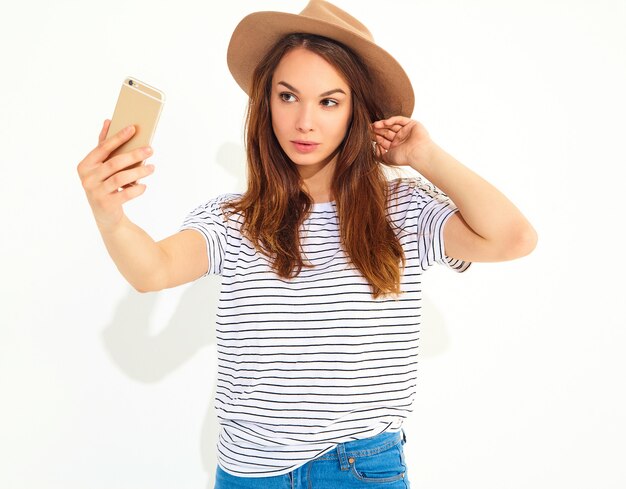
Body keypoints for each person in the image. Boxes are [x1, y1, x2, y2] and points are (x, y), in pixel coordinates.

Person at [77, 1, 537, 487]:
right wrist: (109, 214)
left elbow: (513, 238)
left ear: (357, 110)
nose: (304, 122)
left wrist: (425, 156)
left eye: (329, 101)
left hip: (361, 470)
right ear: (266, 102)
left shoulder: (402, 210)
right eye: (288, 96)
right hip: (250, 471)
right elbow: (153, 270)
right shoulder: (235, 218)